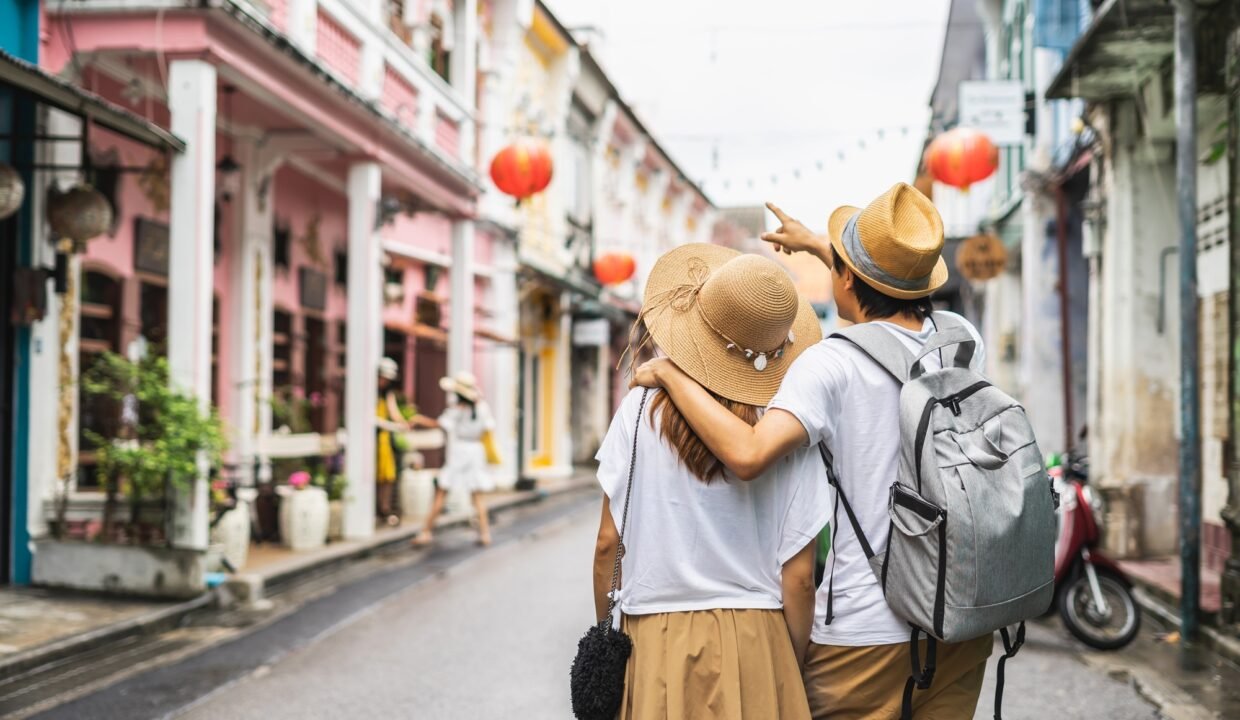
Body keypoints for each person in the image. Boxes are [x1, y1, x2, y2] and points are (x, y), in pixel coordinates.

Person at [633, 183, 994, 719]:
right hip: (959, 616)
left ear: (847, 278)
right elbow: (887, 295)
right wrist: (821, 248)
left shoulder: (831, 364)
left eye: (838, 267)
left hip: (865, 629)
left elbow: (750, 454)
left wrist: (668, 372)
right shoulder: (960, 341)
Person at [595, 244, 831, 720]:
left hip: (654, 636)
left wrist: (606, 630)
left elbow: (607, 544)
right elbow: (800, 576)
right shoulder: (784, 429)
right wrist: (789, 659)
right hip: (758, 640)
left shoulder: (638, 413)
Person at [413, 371, 496, 547]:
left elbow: (440, 424)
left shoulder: (457, 410)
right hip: (475, 450)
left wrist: (419, 419)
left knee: (442, 492)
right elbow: (488, 428)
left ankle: (426, 531)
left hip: (460, 452)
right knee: (477, 495)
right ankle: (485, 533)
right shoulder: (482, 407)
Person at [375, 357, 409, 526]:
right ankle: (377, 508)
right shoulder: (371, 393)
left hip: (385, 439)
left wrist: (403, 423)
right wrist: (390, 424)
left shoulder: (387, 394)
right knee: (375, 474)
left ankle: (385, 508)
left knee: (388, 475)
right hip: (373, 438)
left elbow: (393, 411)